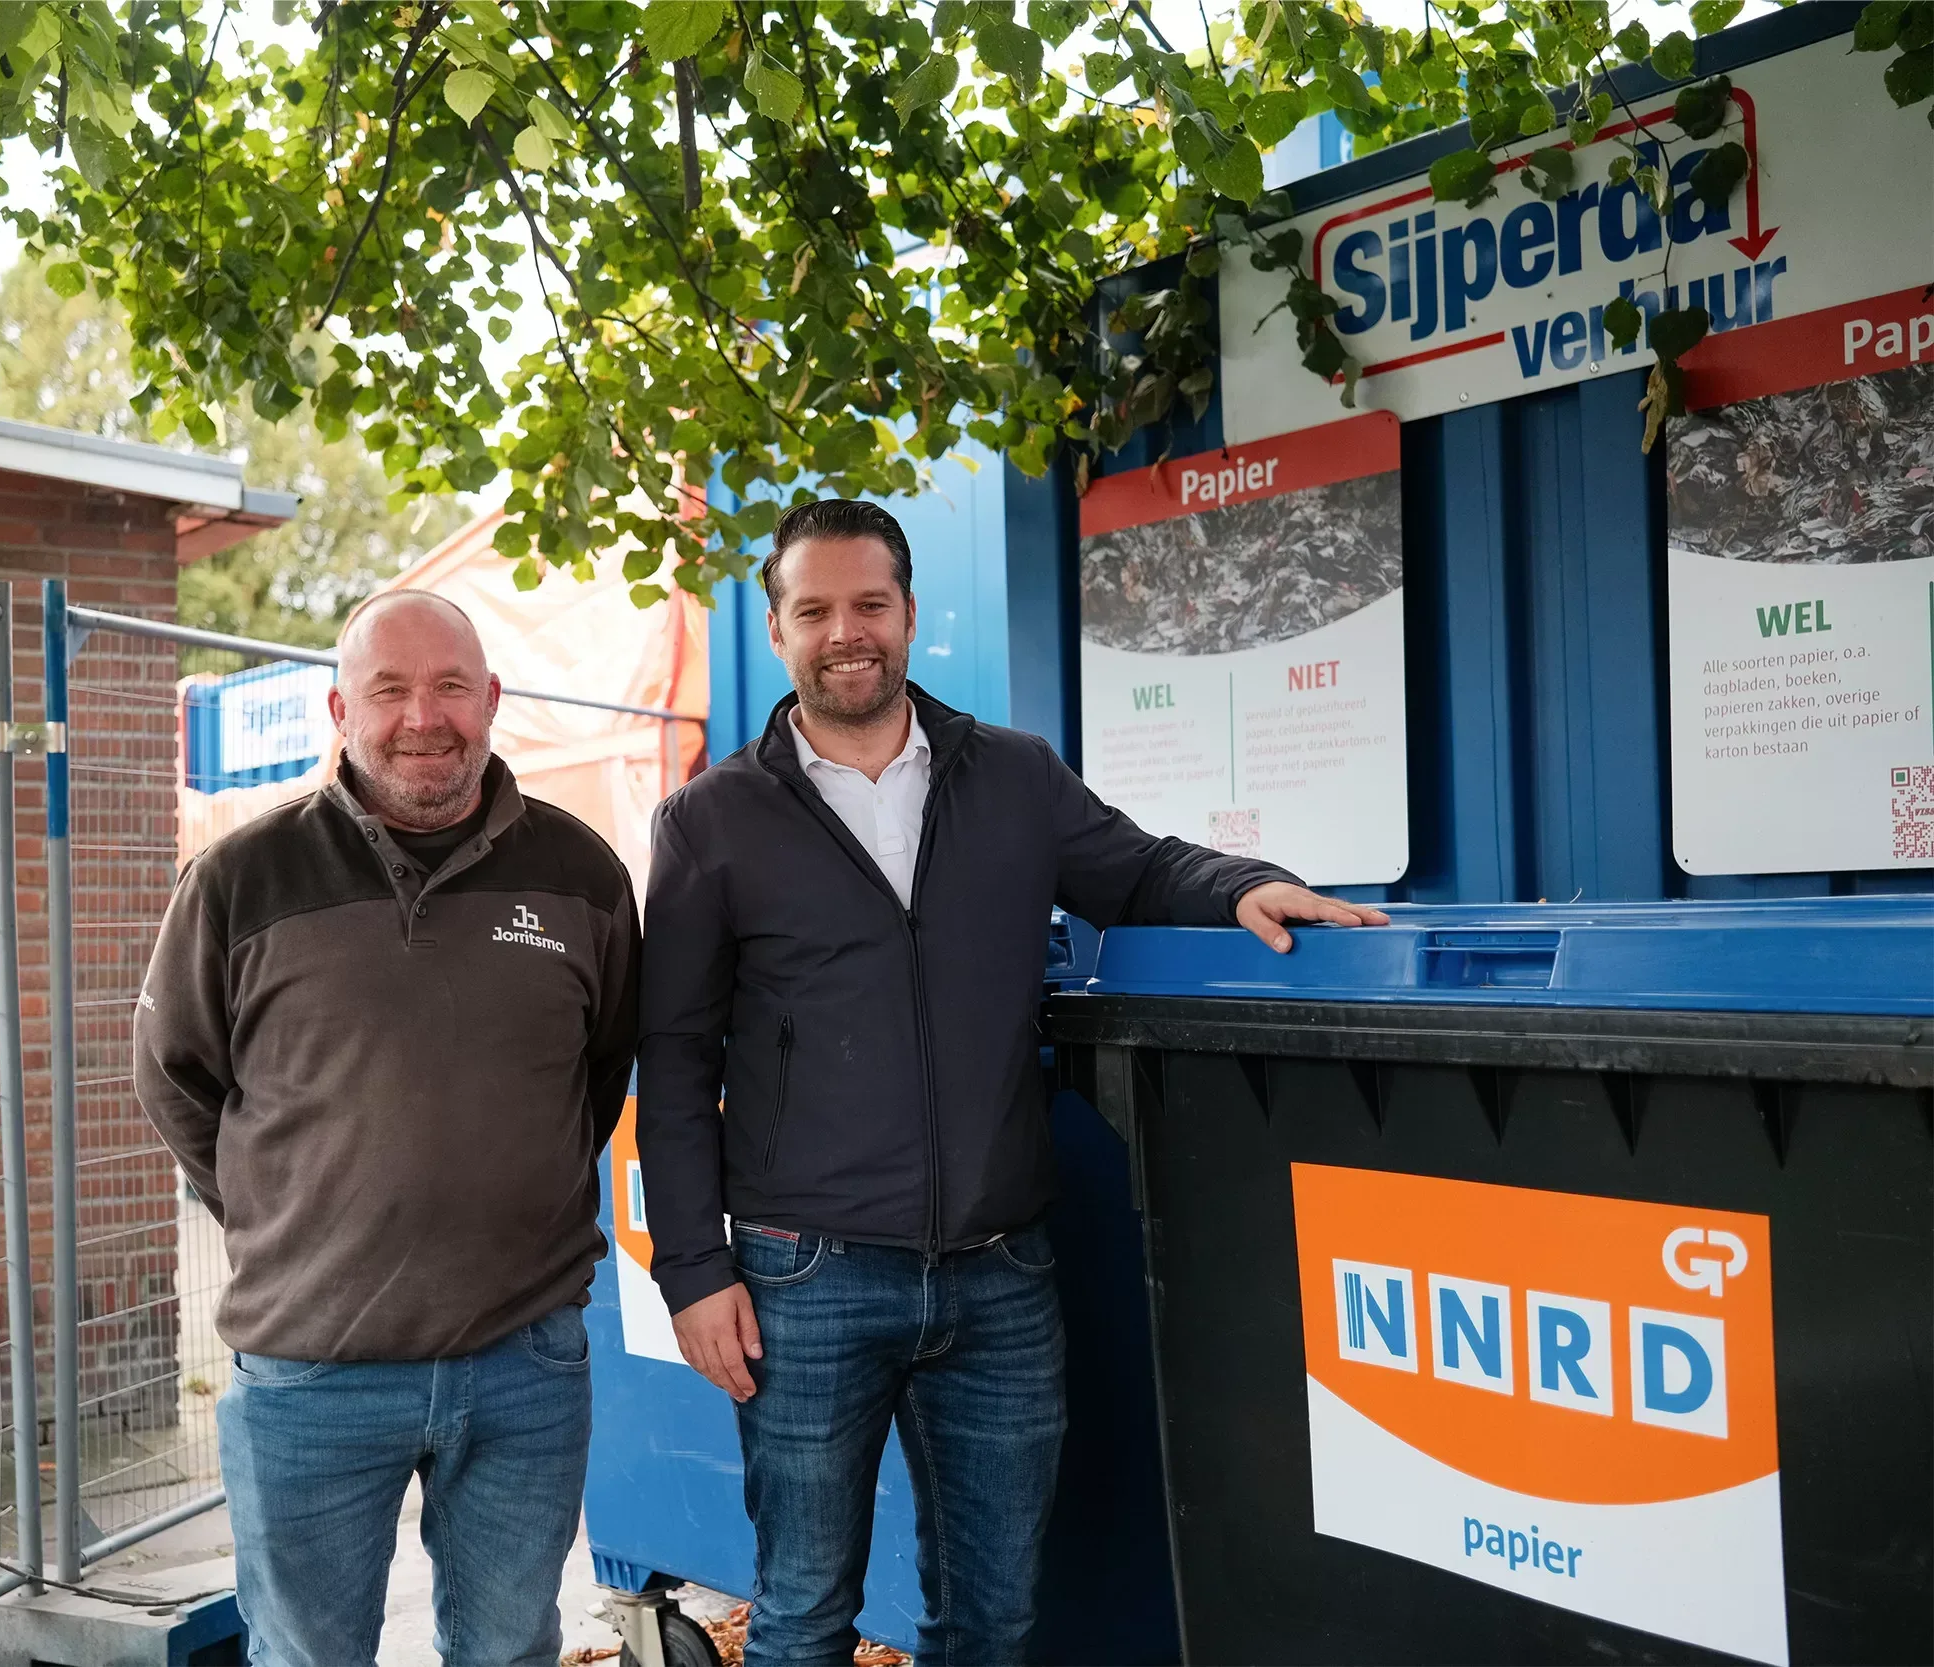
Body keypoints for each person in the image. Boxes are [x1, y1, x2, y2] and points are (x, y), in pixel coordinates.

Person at [636, 499, 1386, 1666]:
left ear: (909, 615)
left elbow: (1137, 868)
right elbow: (673, 1059)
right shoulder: (709, 821)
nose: (848, 631)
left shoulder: (1013, 776)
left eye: (870, 604)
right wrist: (693, 1267)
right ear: (778, 630)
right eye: (816, 609)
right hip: (805, 1273)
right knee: (802, 1617)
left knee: (994, 1618)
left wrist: (1244, 882)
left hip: (999, 1273)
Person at [134, 590, 640, 1667]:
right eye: (391, 688)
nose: (426, 714)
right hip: (311, 1371)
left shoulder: (582, 875)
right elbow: (179, 1076)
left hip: (524, 1361)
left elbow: (597, 1076)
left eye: (452, 684)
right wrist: (287, 1210)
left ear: (492, 698)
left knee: (509, 1650)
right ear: (339, 708)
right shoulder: (239, 878)